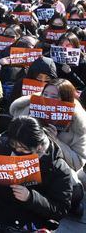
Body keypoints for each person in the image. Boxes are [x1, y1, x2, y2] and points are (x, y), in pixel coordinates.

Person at [0, 116, 73, 232]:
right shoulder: (5, 146)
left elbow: (60, 210)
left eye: (23, 149)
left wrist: (31, 197)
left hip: (31, 219)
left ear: (39, 147)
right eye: (14, 146)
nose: (17, 151)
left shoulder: (58, 168)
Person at [10, 78, 86, 215]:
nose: (48, 99)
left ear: (66, 100)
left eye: (54, 97)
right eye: (45, 94)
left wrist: (56, 140)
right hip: (26, 165)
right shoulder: (28, 110)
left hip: (55, 171)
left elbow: (77, 163)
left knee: (75, 192)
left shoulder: (77, 125)